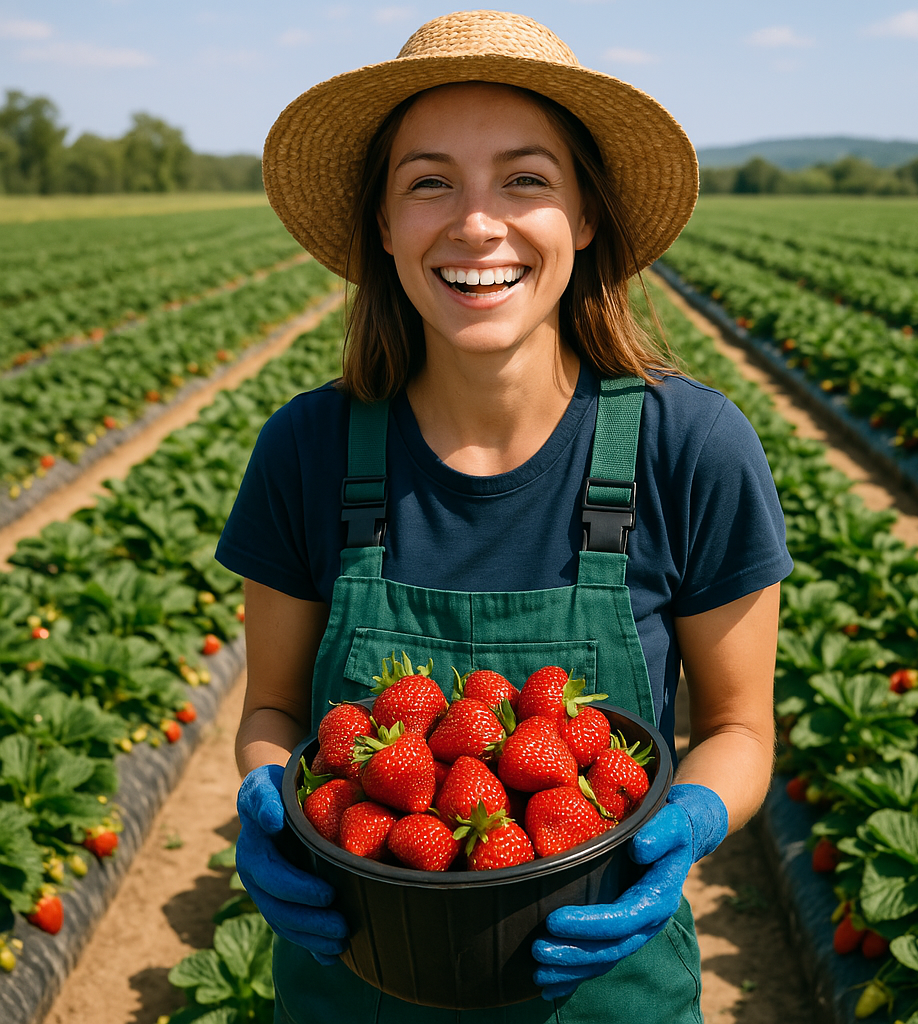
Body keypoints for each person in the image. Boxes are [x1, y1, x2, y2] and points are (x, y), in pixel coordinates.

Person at [216, 10, 792, 1024]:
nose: (477, 224)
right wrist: (270, 800)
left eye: (524, 179)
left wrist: (695, 814)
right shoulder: (307, 448)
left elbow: (740, 727)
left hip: (604, 988)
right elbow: (273, 711)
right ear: (383, 225)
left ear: (584, 216)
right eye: (428, 182)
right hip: (354, 975)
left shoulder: (691, 447)